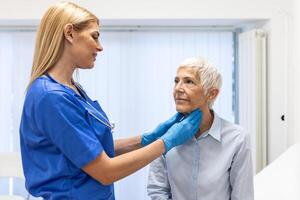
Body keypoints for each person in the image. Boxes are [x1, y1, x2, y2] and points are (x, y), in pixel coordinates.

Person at [19, 2, 203, 200]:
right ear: (70, 33)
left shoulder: (71, 89)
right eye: (94, 36)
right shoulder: (52, 97)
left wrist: (146, 139)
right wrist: (166, 143)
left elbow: (89, 149)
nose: (100, 47)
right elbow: (105, 171)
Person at [147, 57, 254, 200]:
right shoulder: (165, 136)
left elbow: (242, 196)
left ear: (212, 93)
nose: (178, 88)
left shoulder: (237, 139)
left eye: (189, 81)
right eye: (176, 81)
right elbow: (157, 190)